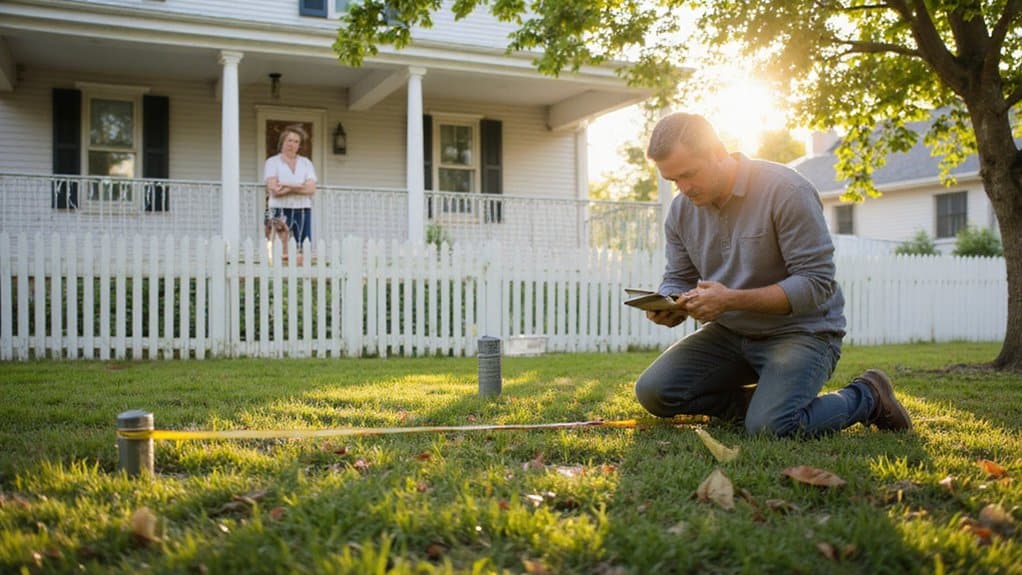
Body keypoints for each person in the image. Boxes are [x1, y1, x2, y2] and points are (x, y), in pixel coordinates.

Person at [634, 113, 912, 437]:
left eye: (689, 174)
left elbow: (816, 282)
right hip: (729, 334)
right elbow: (678, 275)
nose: (683, 188)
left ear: (718, 152)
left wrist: (730, 300)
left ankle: (868, 396)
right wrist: (670, 302)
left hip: (802, 332)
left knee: (770, 429)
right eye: (673, 181)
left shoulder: (786, 190)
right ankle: (763, 405)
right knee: (654, 392)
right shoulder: (682, 210)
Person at [264, 125, 317, 264]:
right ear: (283, 141)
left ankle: (299, 278)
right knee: (278, 244)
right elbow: (274, 190)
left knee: (303, 245)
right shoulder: (272, 162)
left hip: (303, 208)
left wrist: (286, 186)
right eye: (289, 140)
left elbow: (311, 189)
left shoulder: (306, 163)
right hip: (278, 208)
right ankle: (277, 277)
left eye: (296, 141)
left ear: (299, 145)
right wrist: (299, 186)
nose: (292, 144)